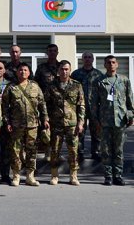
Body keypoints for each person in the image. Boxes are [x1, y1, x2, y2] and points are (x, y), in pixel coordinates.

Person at [2, 63, 49, 187]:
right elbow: (4, 107)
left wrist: (45, 119)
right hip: (16, 125)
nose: (23, 72)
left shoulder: (35, 86)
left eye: (25, 70)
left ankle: (30, 176)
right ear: (17, 72)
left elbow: (42, 104)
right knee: (15, 151)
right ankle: (16, 175)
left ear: (29, 73)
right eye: (20, 70)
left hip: (33, 124)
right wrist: (7, 122)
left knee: (32, 150)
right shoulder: (11, 87)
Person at [92, 55, 134, 186]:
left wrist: (131, 116)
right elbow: (94, 103)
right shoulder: (99, 81)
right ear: (104, 65)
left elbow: (130, 100)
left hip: (120, 120)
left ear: (117, 64)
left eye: (113, 62)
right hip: (105, 121)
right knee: (106, 150)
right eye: (108, 62)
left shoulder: (124, 80)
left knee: (119, 150)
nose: (111, 64)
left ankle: (118, 176)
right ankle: (108, 176)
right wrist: (96, 121)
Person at [44, 60, 85, 186]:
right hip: (56, 123)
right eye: (62, 69)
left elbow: (81, 105)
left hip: (72, 124)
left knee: (73, 151)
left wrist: (81, 122)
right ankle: (54, 175)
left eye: (67, 69)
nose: (64, 71)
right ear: (58, 70)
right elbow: (45, 104)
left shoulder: (77, 85)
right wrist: (45, 118)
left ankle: (73, 176)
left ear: (70, 70)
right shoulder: (51, 85)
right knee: (55, 150)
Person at [71, 52, 104, 160]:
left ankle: (96, 152)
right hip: (80, 107)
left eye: (89, 57)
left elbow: (103, 92)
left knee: (96, 131)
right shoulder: (76, 74)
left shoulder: (99, 75)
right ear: (82, 59)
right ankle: (79, 153)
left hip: (95, 107)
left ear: (93, 59)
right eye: (85, 57)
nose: (87, 59)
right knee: (80, 130)